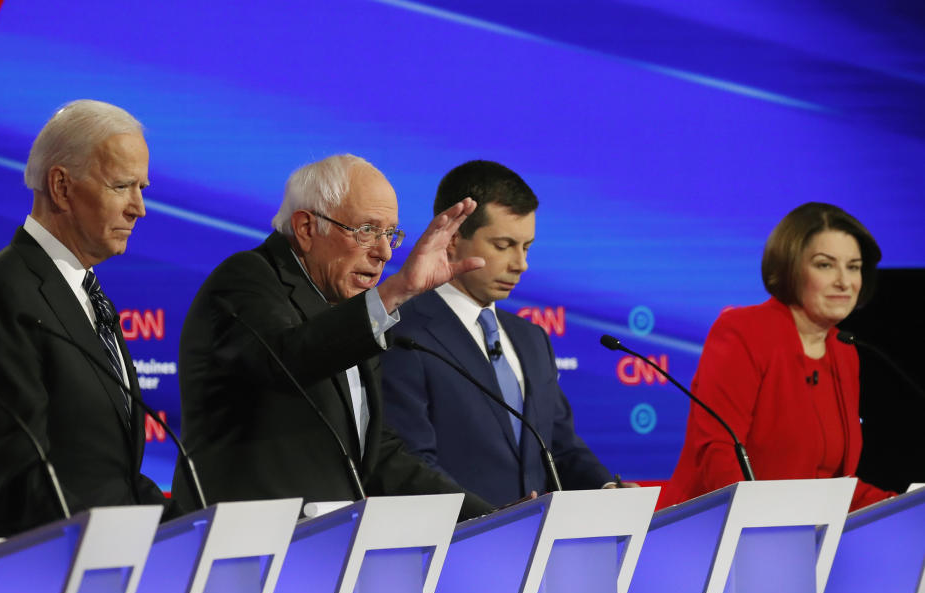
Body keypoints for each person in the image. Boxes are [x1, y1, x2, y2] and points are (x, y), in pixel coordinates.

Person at [172, 153, 493, 519]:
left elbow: (377, 458)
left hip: (324, 550)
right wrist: (395, 291)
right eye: (367, 230)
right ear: (307, 228)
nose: (385, 252)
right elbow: (288, 359)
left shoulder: (346, 311)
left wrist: (488, 517)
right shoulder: (246, 279)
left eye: (390, 234)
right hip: (245, 546)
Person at [0, 100, 167, 538]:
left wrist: (185, 527)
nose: (138, 208)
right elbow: (21, 483)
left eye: (142, 188)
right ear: (61, 187)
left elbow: (108, 474)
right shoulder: (1, 296)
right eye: (122, 186)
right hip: (40, 580)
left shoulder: (86, 292)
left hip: (104, 568)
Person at [381, 161, 625, 505]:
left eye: (526, 247)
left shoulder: (532, 339)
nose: (520, 264)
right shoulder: (403, 332)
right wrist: (493, 522)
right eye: (503, 245)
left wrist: (607, 491)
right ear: (452, 238)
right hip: (457, 545)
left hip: (536, 548)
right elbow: (411, 462)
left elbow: (559, 445)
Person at [658, 202, 896, 511]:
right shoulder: (743, 332)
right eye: (825, 265)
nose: (844, 281)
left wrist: (900, 505)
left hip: (803, 538)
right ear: (789, 268)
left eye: (853, 266)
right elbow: (718, 456)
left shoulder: (844, 350)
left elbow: (833, 485)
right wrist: (763, 529)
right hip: (718, 534)